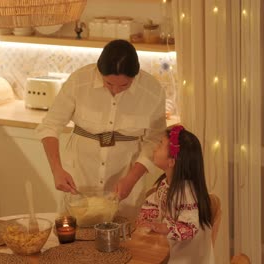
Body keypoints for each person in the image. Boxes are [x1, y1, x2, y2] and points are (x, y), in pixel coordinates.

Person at [36, 39, 167, 220]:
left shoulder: (153, 91)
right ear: (99, 71)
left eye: (124, 85)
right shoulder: (79, 81)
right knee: (75, 238)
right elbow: (50, 125)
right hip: (80, 177)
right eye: (109, 83)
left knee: (123, 238)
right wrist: (56, 169)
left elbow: (154, 140)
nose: (116, 90)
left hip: (126, 180)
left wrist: (132, 179)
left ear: (135, 76)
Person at [137, 125, 214, 263]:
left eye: (160, 145)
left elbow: (190, 227)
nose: (155, 148)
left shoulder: (187, 193)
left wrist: (166, 228)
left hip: (188, 256)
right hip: (174, 247)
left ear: (171, 161)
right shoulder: (166, 183)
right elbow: (155, 201)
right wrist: (149, 217)